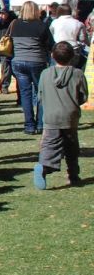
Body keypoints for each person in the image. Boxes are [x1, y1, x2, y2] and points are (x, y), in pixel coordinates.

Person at [33, 41, 86, 189]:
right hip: (70, 116)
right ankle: (73, 175)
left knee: (50, 145)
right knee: (72, 147)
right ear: (72, 57)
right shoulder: (78, 74)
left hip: (50, 116)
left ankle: (43, 167)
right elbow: (83, 96)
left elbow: (40, 95)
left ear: (52, 56)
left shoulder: (45, 74)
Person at [8, 0, 54, 134]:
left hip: (18, 61)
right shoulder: (41, 25)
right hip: (37, 61)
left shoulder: (15, 24)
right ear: (36, 11)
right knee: (41, 93)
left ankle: (29, 125)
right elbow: (50, 44)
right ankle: (40, 124)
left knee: (25, 94)